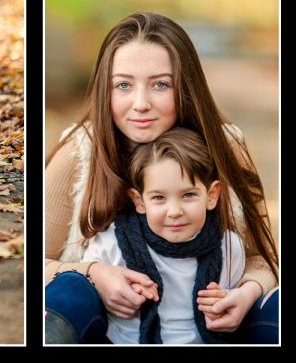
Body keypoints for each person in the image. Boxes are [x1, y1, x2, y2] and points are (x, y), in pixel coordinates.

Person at [44, 12, 278, 344]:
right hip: (106, 329)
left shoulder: (226, 148)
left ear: (185, 88)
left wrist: (247, 292)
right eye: (123, 84)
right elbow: (33, 265)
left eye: (160, 84)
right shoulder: (79, 153)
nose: (141, 103)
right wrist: (94, 274)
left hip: (214, 329)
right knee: (66, 292)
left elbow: (263, 258)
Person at [82, 127, 245, 344]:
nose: (175, 211)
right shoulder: (112, 242)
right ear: (139, 201)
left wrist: (222, 304)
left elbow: (236, 303)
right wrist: (108, 290)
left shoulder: (228, 246)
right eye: (159, 198)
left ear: (212, 195)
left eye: (188, 195)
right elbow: (82, 290)